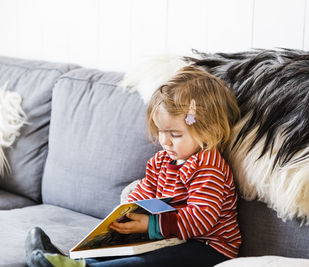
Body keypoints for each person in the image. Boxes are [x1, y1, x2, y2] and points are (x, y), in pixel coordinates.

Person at [25, 66, 242, 267]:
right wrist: (128, 210)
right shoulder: (161, 161)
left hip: (207, 248)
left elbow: (201, 219)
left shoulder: (208, 168)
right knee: (115, 245)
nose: (164, 141)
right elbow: (146, 192)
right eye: (160, 132)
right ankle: (72, 259)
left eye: (175, 134)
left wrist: (151, 225)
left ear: (209, 131)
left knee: (146, 262)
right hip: (169, 236)